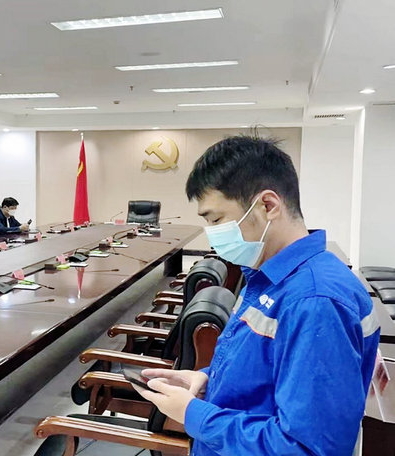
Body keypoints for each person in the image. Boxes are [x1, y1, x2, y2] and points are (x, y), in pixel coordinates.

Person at [135, 136, 379, 455]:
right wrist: (207, 381)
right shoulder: (268, 276)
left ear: (267, 206)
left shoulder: (315, 301)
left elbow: (305, 448)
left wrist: (193, 414)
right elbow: (267, 373)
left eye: (216, 220)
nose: (212, 234)